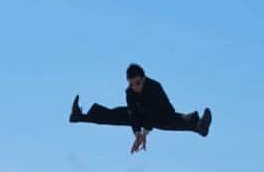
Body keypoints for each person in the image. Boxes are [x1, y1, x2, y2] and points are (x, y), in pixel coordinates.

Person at [69, 64, 212, 153]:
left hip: (163, 114)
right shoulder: (130, 92)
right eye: (132, 84)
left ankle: (199, 125)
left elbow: (153, 112)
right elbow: (132, 114)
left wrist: (144, 134)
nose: (135, 87)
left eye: (137, 83)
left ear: (143, 78)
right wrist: (137, 134)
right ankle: (79, 116)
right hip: (142, 115)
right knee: (117, 115)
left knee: (176, 121)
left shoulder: (154, 87)